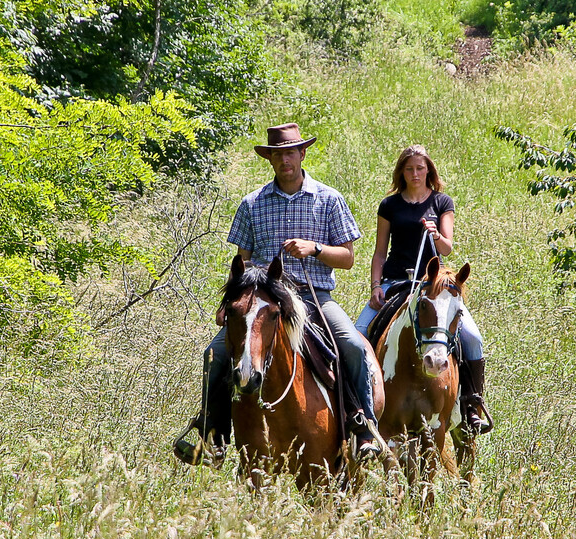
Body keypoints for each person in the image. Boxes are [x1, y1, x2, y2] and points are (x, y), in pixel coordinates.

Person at [175, 123, 383, 465]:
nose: (284, 160)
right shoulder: (251, 203)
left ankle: (363, 429)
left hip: (314, 298)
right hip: (261, 302)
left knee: (353, 345)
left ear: (302, 154)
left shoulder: (329, 199)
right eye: (277, 155)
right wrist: (229, 304)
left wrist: (315, 248)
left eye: (290, 153)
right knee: (214, 354)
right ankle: (212, 435)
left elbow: (347, 258)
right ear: (270, 159)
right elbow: (241, 263)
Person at [354, 144, 493, 434]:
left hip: (433, 287)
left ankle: (471, 405)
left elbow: (447, 247)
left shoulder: (442, 202)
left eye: (420, 168)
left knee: (472, 338)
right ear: (401, 172)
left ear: (428, 170)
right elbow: (379, 253)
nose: (415, 174)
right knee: (359, 333)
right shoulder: (389, 205)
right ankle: (358, 407)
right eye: (409, 169)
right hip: (395, 283)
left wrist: (436, 234)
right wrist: (376, 286)